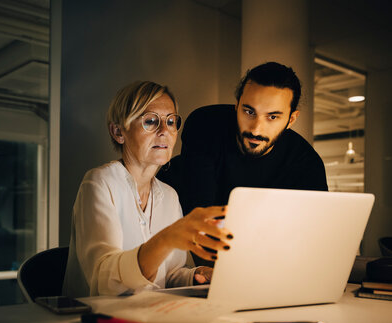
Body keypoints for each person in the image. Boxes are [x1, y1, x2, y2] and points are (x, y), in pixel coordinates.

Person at [62, 81, 233, 298]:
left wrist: (197, 274)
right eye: (150, 121)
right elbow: (104, 283)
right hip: (95, 321)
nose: (164, 131)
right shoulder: (100, 183)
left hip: (148, 317)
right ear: (118, 132)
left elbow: (168, 275)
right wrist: (166, 239)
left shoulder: (170, 196)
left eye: (171, 121)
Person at [157, 62, 328, 266]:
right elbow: (202, 222)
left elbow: (312, 240)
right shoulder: (206, 125)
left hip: (258, 255)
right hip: (162, 223)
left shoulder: (306, 162)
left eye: (272, 117)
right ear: (236, 105)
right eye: (249, 112)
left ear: (291, 120)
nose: (256, 129)